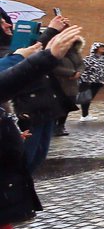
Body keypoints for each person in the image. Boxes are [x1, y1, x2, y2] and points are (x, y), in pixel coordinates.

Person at [0, 24, 84, 173]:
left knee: (37, 156)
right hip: (29, 107)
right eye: (1, 22)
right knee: (23, 161)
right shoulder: (11, 50)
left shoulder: (15, 46)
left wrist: (51, 34)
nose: (8, 25)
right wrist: (48, 46)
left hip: (46, 104)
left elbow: (34, 51)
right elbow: (12, 72)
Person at [51, 36, 84, 136]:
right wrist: (71, 73)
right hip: (59, 83)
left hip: (72, 84)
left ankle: (61, 125)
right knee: (57, 106)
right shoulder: (57, 52)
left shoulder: (76, 53)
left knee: (67, 105)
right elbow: (54, 67)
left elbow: (81, 64)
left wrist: (78, 72)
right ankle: (52, 126)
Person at [78, 42, 104, 119]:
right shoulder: (89, 59)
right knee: (86, 97)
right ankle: (84, 115)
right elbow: (83, 69)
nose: (103, 49)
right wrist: (84, 78)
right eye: (101, 47)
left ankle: (85, 115)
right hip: (88, 81)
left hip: (99, 82)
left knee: (90, 98)